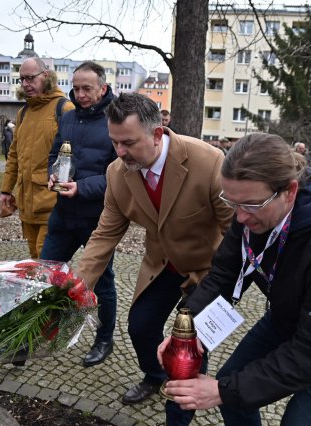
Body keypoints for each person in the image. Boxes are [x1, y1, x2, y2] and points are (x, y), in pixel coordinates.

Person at [159, 132, 311, 425]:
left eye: (251, 206)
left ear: (290, 192)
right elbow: (224, 275)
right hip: (288, 316)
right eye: (232, 203)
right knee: (234, 389)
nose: (240, 217)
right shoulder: (249, 205)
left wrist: (220, 391)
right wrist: (186, 329)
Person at [75, 93, 233, 417]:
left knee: (188, 351)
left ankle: (179, 412)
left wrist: (225, 289)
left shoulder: (209, 162)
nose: (119, 152)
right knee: (140, 326)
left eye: (128, 143)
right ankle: (154, 374)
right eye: (114, 142)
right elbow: (105, 234)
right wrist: (77, 286)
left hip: (209, 270)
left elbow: (236, 233)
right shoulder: (117, 173)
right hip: (163, 266)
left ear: (157, 133)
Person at [40, 61, 118, 368]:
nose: (81, 94)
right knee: (46, 273)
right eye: (76, 87)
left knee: (102, 283)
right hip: (62, 214)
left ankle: (104, 338)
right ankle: (40, 329)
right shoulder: (69, 117)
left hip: (96, 219)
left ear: (103, 88)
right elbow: (54, 154)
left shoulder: (116, 121)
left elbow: (117, 173)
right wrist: (51, 175)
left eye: (87, 88)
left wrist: (81, 188)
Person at [0, 57, 74, 259]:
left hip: (52, 205)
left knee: (47, 263)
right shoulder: (23, 113)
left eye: (30, 78)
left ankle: (66, 291)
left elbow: (73, 155)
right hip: (27, 204)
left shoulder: (64, 109)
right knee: (35, 262)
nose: (25, 84)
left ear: (46, 76)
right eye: (22, 79)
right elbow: (14, 154)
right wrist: (6, 189)